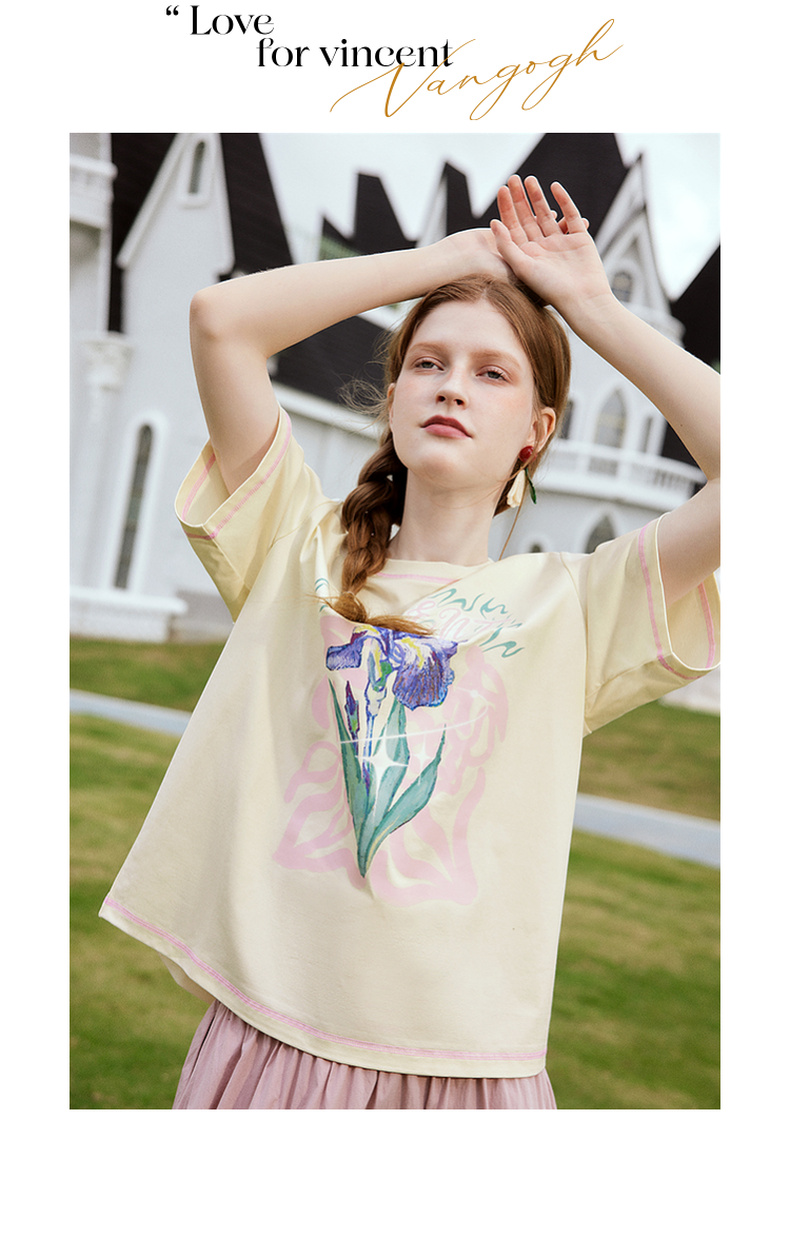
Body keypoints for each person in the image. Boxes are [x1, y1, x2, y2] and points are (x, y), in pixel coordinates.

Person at [100, 176, 720, 1109]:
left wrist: (591, 304)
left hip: (461, 1072)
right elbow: (221, 320)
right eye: (429, 362)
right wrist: (452, 260)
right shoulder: (296, 547)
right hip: (269, 1042)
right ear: (393, 400)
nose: (453, 386)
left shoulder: (573, 605)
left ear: (537, 432)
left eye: (492, 373)